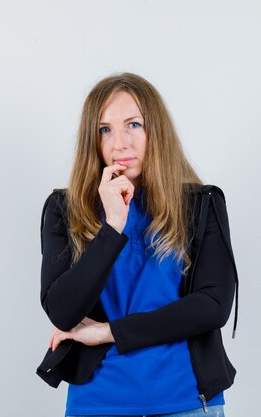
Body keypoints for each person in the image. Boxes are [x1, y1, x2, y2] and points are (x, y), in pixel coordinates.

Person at [36, 72, 239, 417]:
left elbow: (212, 306)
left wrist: (109, 332)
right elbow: (62, 311)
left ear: (155, 131)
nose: (120, 143)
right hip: (97, 403)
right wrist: (112, 227)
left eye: (133, 125)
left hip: (186, 401)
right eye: (105, 129)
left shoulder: (200, 204)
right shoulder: (64, 209)